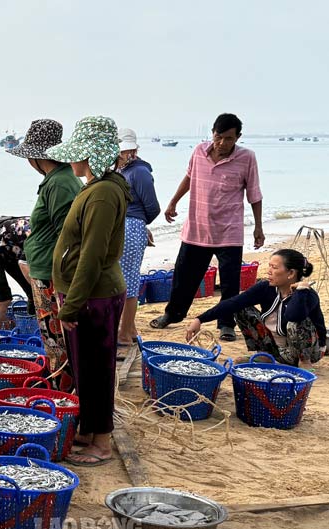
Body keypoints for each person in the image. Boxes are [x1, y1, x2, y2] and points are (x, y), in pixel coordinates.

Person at [45, 115, 130, 467]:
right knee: (85, 370)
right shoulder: (97, 187)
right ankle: (90, 429)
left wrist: (71, 305)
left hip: (93, 296)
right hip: (86, 294)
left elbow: (93, 254)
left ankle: (102, 442)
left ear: (92, 155)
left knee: (96, 370)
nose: (72, 159)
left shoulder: (103, 194)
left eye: (77, 153)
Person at [150, 113, 264, 342]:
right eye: (218, 137)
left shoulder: (247, 158)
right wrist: (173, 202)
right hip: (196, 229)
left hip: (229, 232)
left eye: (229, 138)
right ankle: (172, 315)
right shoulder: (199, 152)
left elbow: (254, 194)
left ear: (238, 138)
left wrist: (258, 227)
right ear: (212, 133)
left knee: (231, 284)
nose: (222, 143)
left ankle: (226, 325)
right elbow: (189, 178)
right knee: (184, 278)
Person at [0, 118, 82, 391]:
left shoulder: (59, 183)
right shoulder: (56, 180)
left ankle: (62, 395)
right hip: (45, 269)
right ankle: (61, 389)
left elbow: (66, 235)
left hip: (50, 274)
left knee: (56, 340)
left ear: (35, 155)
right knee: (53, 339)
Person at [185, 250, 325, 366]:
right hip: (278, 348)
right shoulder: (266, 288)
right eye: (269, 266)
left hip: (309, 351)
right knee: (240, 308)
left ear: (291, 274)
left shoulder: (307, 295)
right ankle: (266, 355)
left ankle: (304, 362)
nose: (269, 271)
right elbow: (233, 302)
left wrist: (300, 291)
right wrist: (200, 319)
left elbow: (295, 316)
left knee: (297, 320)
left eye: (274, 268)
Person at [115, 128, 160, 349]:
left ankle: (123, 333)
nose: (125, 154)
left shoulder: (139, 172)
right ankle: (130, 329)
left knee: (128, 282)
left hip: (131, 226)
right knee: (122, 279)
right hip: (125, 226)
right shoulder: (123, 170)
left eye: (127, 151)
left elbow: (153, 207)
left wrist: (139, 224)